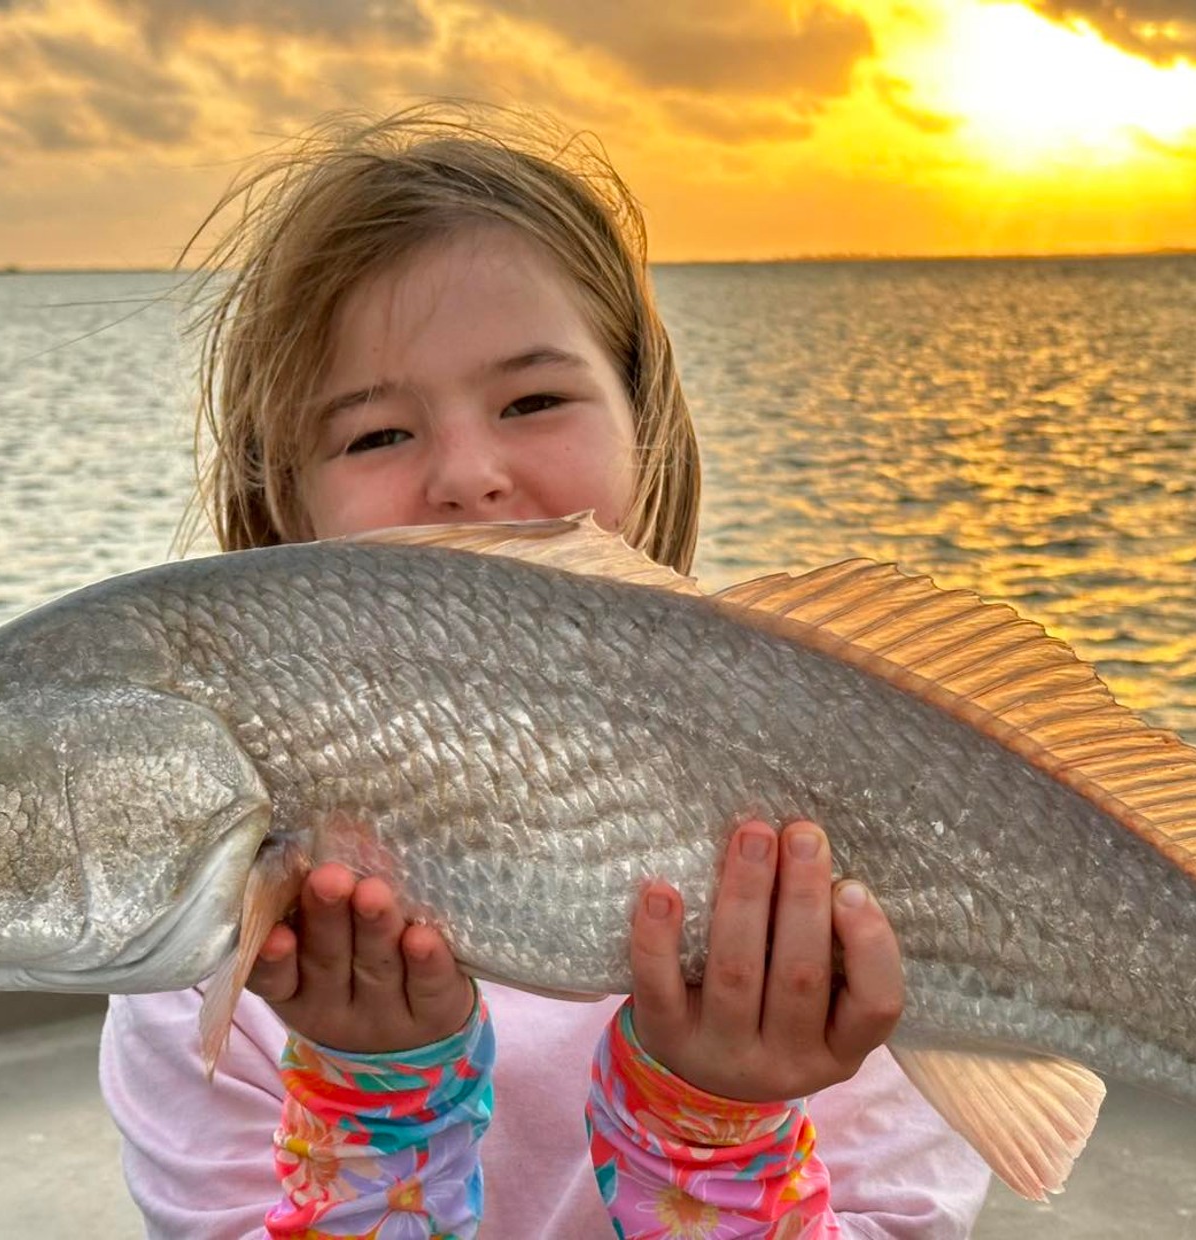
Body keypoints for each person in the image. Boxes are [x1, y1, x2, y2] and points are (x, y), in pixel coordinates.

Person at [99, 102, 992, 1238]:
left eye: (534, 400)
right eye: (375, 434)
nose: (469, 473)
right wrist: (372, 1103)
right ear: (286, 510)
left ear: (645, 428)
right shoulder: (207, 956)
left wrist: (716, 1126)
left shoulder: (831, 833)